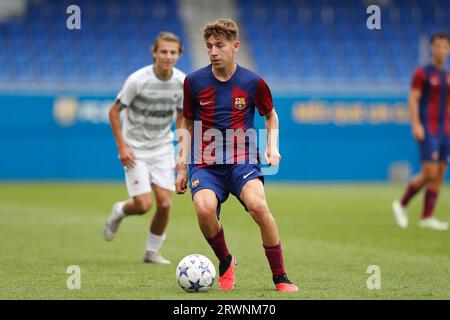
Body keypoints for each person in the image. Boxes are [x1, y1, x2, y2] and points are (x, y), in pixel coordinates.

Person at [175, 18, 298, 292]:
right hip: (205, 162)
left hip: (242, 159)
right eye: (209, 46)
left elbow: (270, 115)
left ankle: (280, 277)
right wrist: (182, 166)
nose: (213, 51)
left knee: (258, 206)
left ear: (235, 46)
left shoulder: (253, 82)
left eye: (220, 45)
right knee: (204, 209)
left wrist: (272, 146)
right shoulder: (193, 82)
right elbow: (186, 121)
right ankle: (226, 261)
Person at [103, 32, 186, 263]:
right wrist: (122, 147)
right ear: (154, 52)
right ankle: (120, 210)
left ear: (179, 54)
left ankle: (152, 252)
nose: (168, 56)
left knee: (165, 203)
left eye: (173, 52)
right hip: (135, 149)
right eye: (163, 51)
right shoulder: (137, 80)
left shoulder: (181, 82)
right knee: (143, 205)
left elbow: (181, 117)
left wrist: (181, 151)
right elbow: (113, 111)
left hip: (162, 147)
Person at [392, 32, 450, 231]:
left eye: (444, 46)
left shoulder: (448, 75)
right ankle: (401, 204)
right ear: (432, 48)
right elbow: (413, 98)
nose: (441, 50)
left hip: (446, 130)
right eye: (438, 46)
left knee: (440, 172)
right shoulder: (422, 73)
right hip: (429, 129)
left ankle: (427, 217)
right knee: (430, 171)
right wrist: (416, 124)